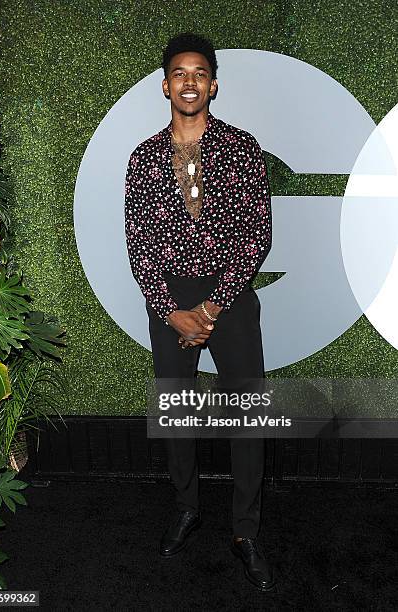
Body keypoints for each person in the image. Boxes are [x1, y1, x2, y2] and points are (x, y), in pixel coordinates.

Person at [124, 32, 275, 591]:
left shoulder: (242, 147)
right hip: (170, 298)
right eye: (179, 73)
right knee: (176, 413)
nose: (189, 81)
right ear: (165, 86)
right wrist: (172, 311)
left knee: (247, 417)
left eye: (199, 73)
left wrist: (211, 306)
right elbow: (138, 242)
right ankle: (186, 508)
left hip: (230, 297)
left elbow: (256, 234)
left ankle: (246, 531)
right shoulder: (144, 158)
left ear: (213, 84)